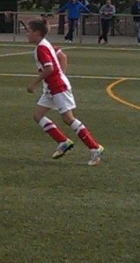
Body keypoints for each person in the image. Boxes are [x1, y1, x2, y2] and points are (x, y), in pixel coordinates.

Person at [24, 19, 104, 166]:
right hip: (51, 88)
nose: (26, 34)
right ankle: (63, 141)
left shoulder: (41, 48)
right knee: (38, 115)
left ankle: (95, 148)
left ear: (37, 32)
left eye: (28, 31)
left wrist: (33, 83)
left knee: (68, 119)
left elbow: (49, 68)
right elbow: (61, 56)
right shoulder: (44, 44)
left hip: (58, 87)